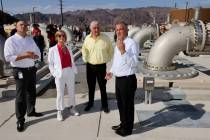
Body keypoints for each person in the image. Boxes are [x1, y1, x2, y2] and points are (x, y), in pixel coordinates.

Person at [4, 20, 43, 132]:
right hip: (20, 70)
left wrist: (35, 59)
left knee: (31, 91)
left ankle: (31, 111)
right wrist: (25, 55)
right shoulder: (10, 41)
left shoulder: (30, 39)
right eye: (21, 25)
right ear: (16, 27)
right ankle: (20, 120)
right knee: (20, 95)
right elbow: (8, 57)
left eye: (25, 25)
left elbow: (37, 53)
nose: (24, 26)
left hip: (31, 69)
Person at [105, 21, 139, 137]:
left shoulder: (132, 43)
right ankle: (123, 123)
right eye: (117, 29)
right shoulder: (119, 43)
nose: (118, 31)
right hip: (119, 79)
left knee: (127, 105)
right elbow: (116, 62)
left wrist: (123, 51)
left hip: (128, 79)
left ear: (126, 30)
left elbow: (134, 64)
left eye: (121, 29)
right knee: (121, 104)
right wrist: (111, 72)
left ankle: (127, 129)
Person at [82, 20, 114, 113]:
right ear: (90, 29)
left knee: (102, 87)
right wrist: (85, 59)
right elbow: (84, 49)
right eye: (94, 28)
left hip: (101, 66)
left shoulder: (106, 38)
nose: (96, 29)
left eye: (98, 27)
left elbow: (111, 51)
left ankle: (105, 105)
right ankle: (90, 103)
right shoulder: (87, 38)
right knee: (91, 86)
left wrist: (107, 59)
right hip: (90, 66)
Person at [48, 30, 79, 121]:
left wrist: (73, 70)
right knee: (60, 93)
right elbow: (50, 64)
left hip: (69, 71)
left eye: (63, 36)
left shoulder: (68, 48)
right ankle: (59, 111)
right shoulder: (52, 49)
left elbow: (71, 61)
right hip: (60, 73)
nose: (62, 38)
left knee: (71, 91)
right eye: (60, 36)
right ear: (56, 37)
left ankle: (72, 107)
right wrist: (55, 74)